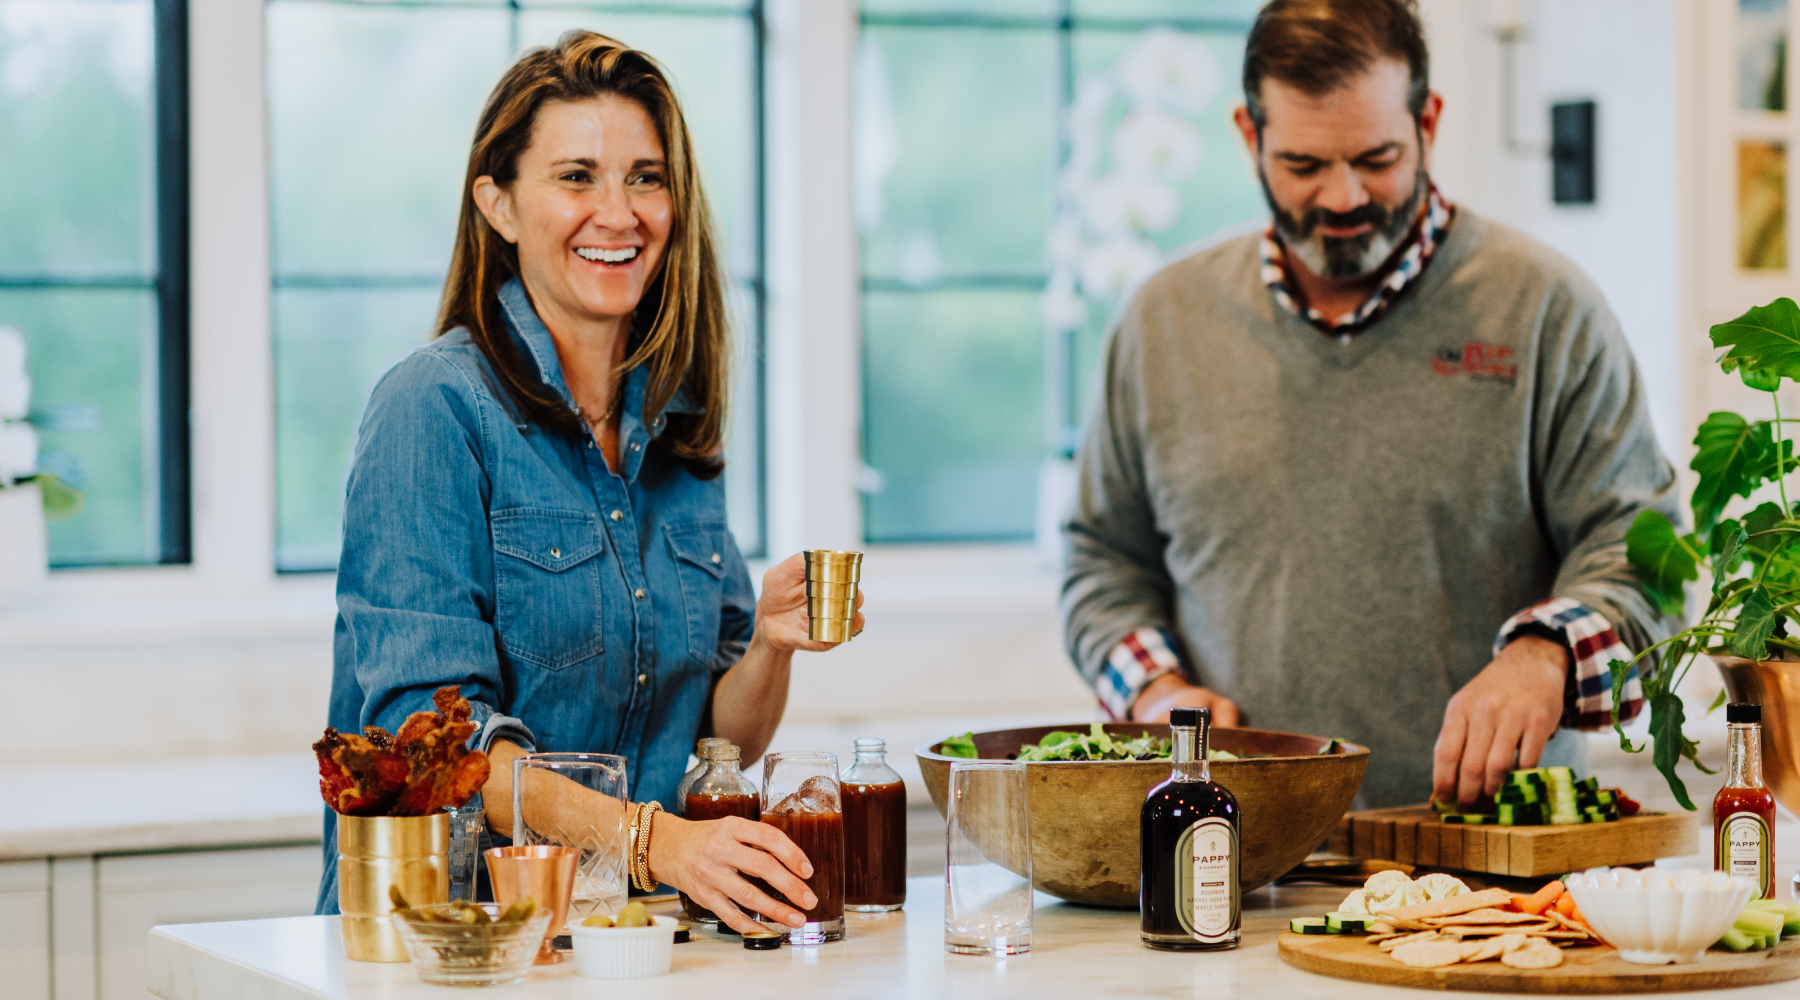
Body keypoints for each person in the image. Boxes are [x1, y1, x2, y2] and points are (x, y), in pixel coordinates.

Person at [1060, 0, 1676, 809]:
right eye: (1305, 165)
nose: (1345, 196)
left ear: (1429, 121)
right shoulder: (1160, 322)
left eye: (1377, 157)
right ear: (1250, 136)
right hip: (1229, 856)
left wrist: (1546, 657)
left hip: (1493, 865)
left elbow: (1649, 559)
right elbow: (1103, 560)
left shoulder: (1547, 310)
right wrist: (1154, 691)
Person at [314, 31, 861, 933]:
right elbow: (436, 750)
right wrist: (659, 843)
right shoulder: (433, 408)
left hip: (621, 937)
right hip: (454, 942)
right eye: (576, 177)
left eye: (646, 177)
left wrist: (767, 646)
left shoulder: (676, 421)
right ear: (497, 204)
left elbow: (715, 743)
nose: (620, 213)